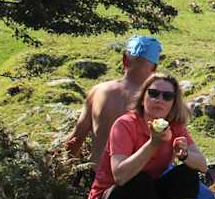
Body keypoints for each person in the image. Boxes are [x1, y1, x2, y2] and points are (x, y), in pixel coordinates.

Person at [87, 73, 208, 199]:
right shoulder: (125, 124)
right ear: (143, 98)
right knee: (138, 179)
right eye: (153, 93)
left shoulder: (174, 127)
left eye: (167, 96)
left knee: (187, 174)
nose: (159, 99)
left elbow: (203, 166)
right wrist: (153, 143)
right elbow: (121, 176)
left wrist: (185, 155)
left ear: (173, 103)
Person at [63, 35, 163, 167]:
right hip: (140, 180)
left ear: (124, 60)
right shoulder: (159, 100)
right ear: (154, 67)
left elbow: (76, 139)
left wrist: (64, 176)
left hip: (99, 177)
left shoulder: (99, 91)